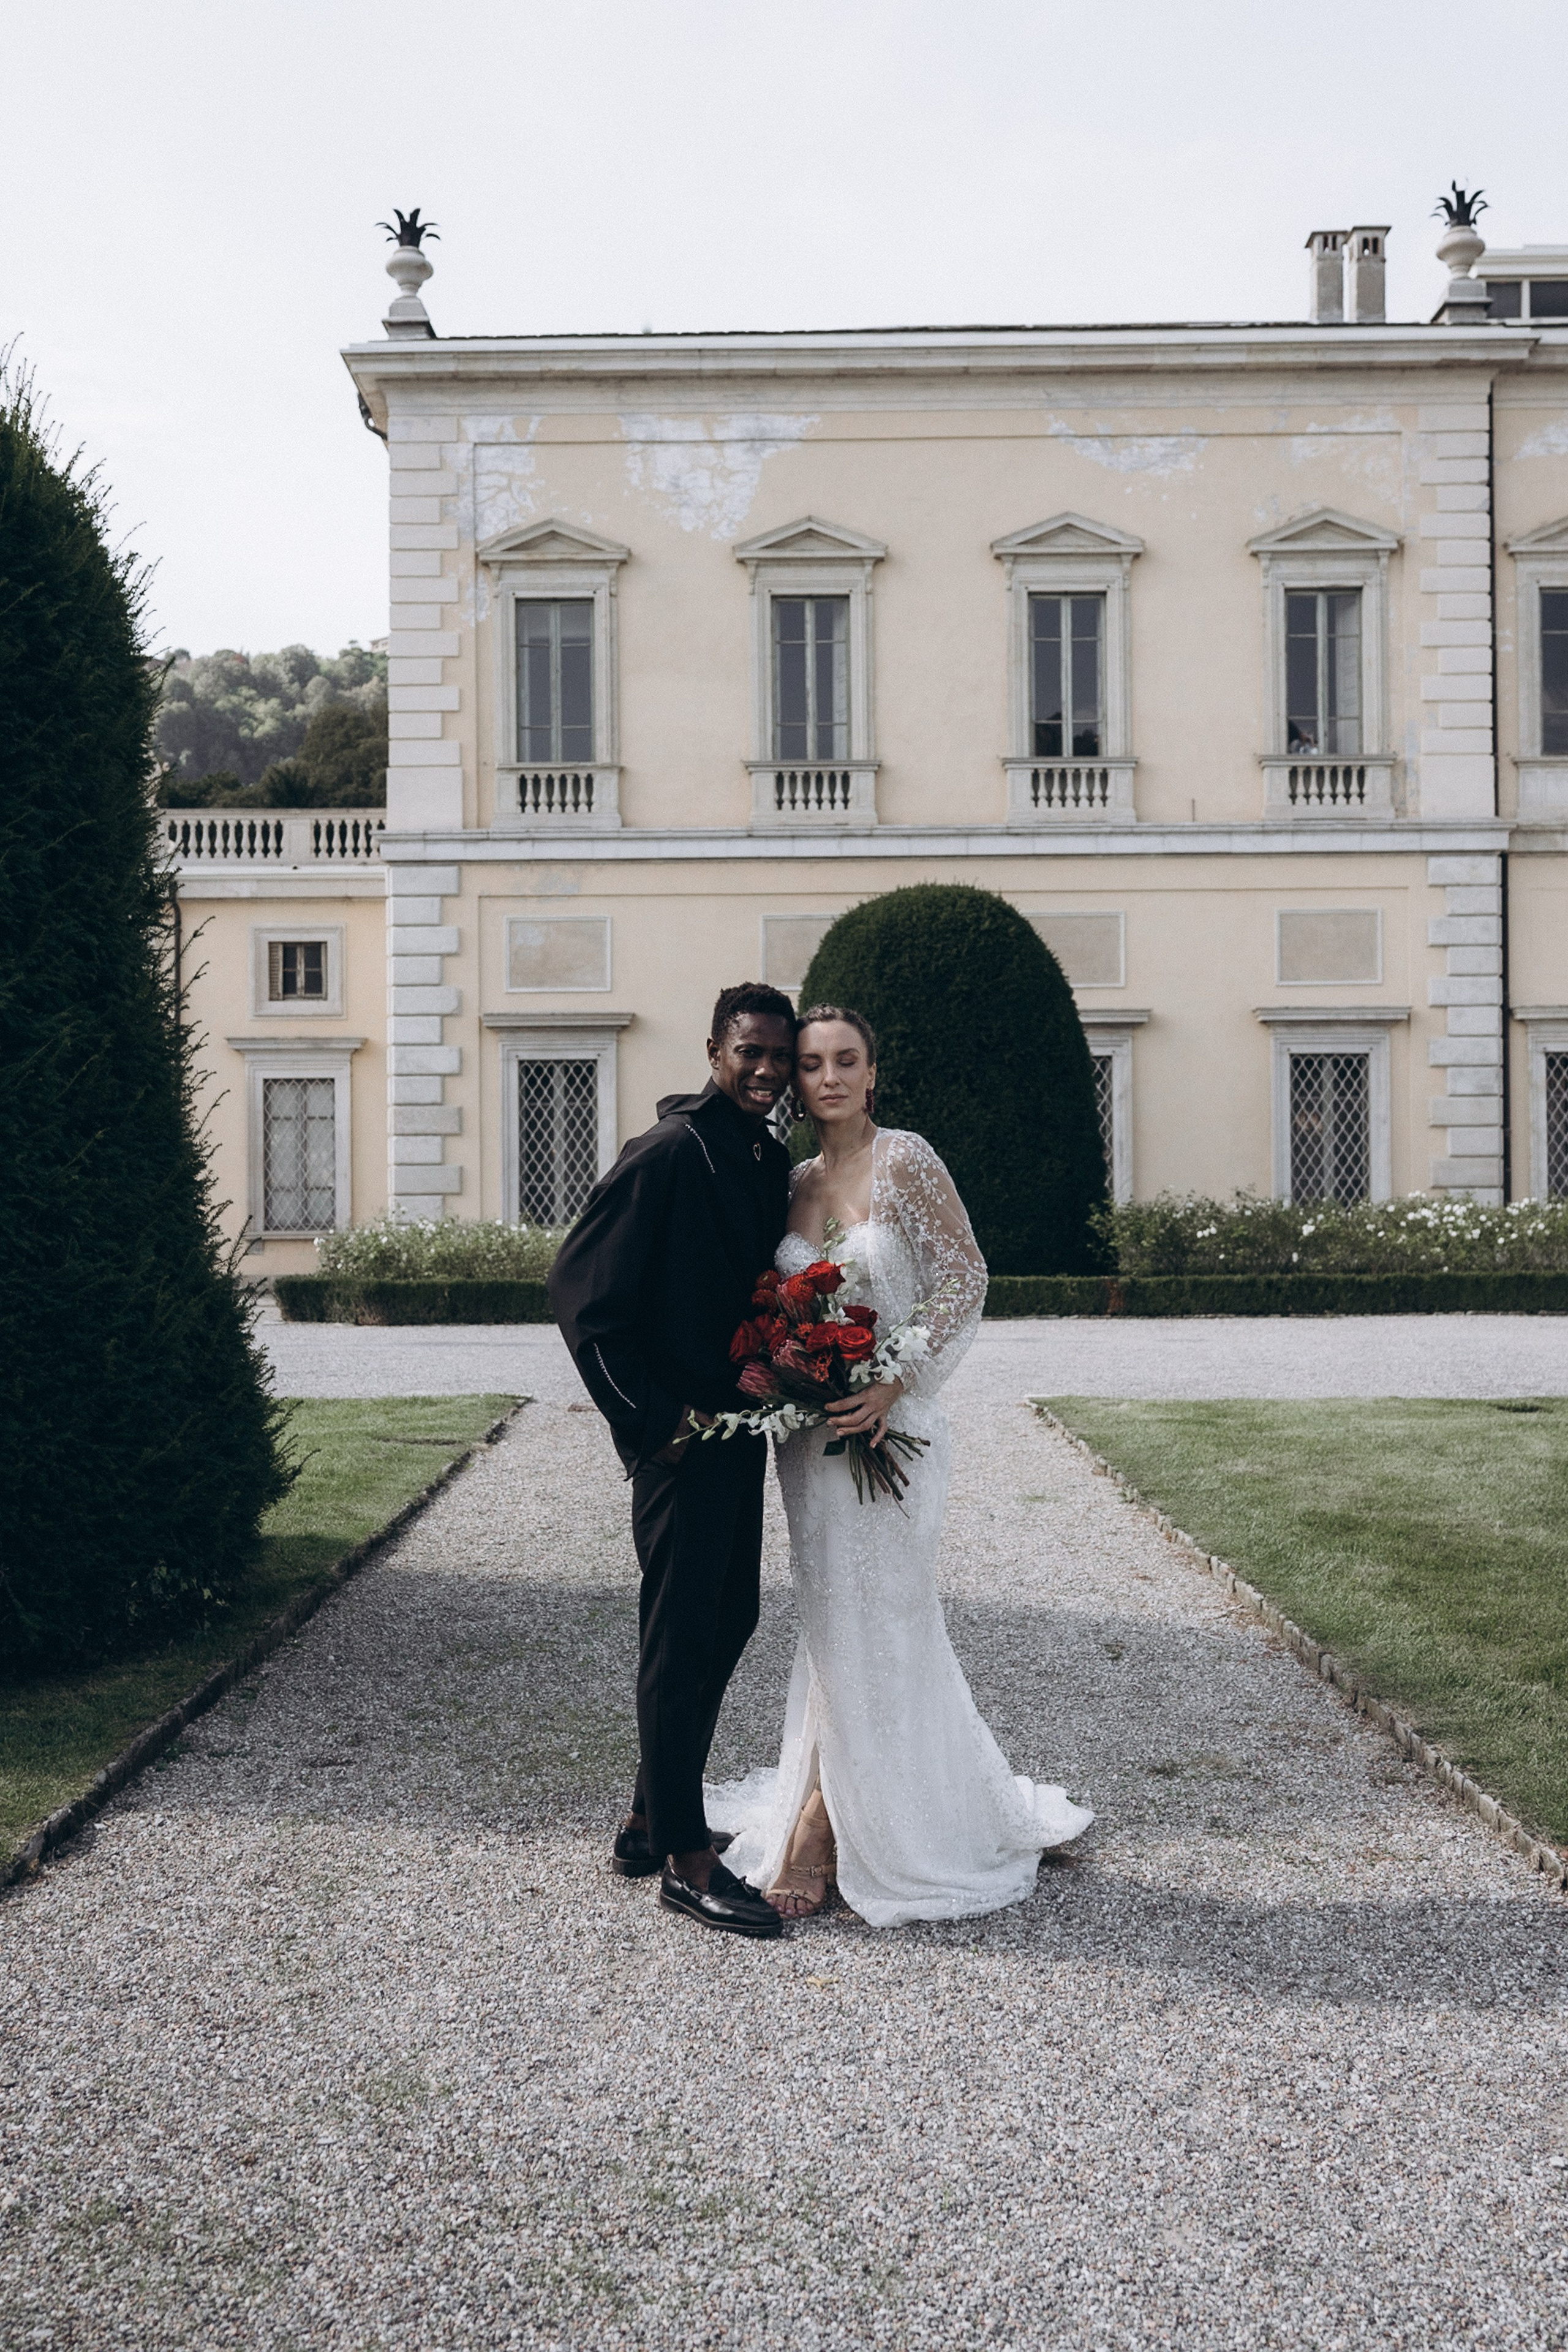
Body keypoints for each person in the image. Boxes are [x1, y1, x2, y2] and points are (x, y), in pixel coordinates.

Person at [712, 1005, 1093, 1926]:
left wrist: (892, 1383)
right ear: (794, 1081)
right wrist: (794, 1371)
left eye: (847, 1061)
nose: (829, 1077)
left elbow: (965, 1276)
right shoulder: (791, 1181)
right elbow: (770, 1298)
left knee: (889, 1611)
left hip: (895, 1428)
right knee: (834, 1617)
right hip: (811, 1439)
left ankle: (821, 1823)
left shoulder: (907, 1160)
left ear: (873, 1075)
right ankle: (831, 1790)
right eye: (811, 1064)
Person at [548, 984, 797, 1940]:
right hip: (680, 1443)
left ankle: (652, 1816)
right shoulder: (664, 1154)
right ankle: (689, 1865)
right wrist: (654, 1424)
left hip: (740, 1435)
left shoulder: (765, 1155)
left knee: (730, 1616)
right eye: (752, 1053)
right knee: (681, 1635)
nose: (769, 1071)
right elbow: (581, 1297)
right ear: (712, 1050)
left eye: (781, 1055)